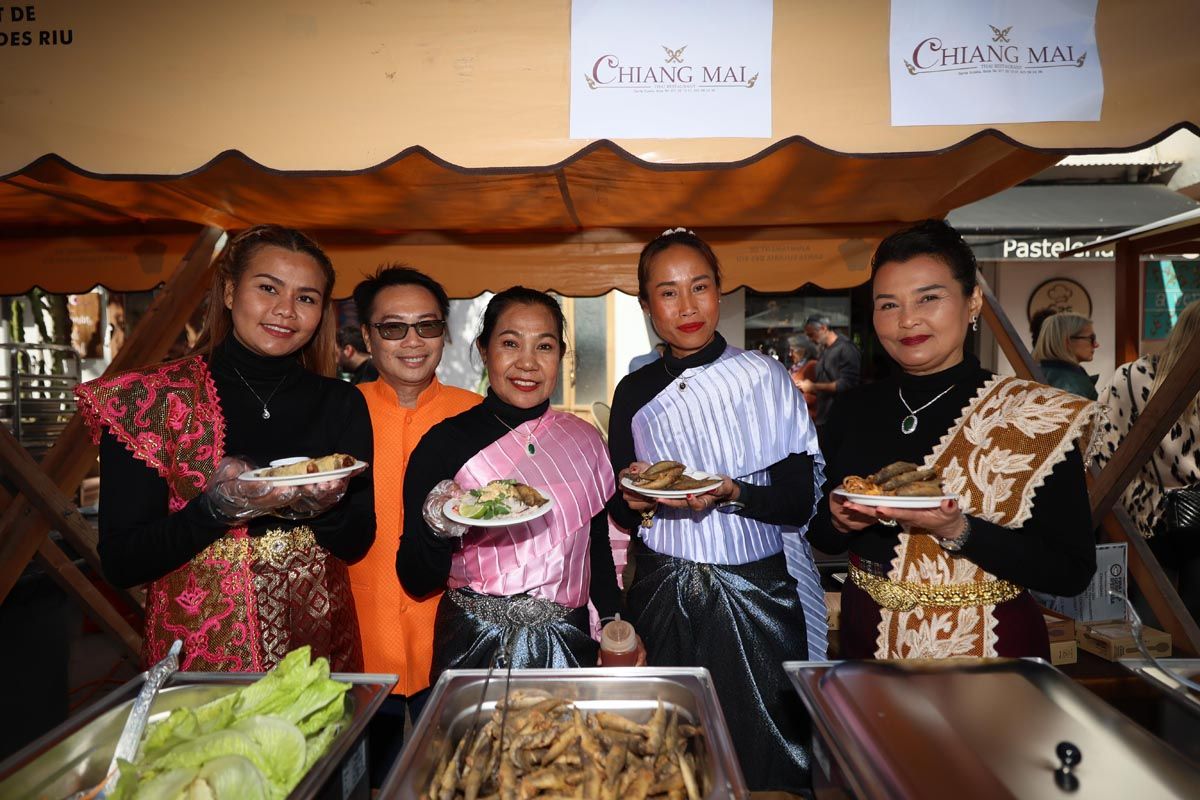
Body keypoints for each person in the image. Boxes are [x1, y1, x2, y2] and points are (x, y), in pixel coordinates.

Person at [76, 225, 374, 672]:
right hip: (204, 657)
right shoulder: (154, 400)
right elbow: (121, 562)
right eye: (268, 288)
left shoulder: (341, 401)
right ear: (231, 292)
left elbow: (356, 542)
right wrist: (214, 510)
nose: (285, 311)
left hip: (319, 650)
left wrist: (323, 508)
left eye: (306, 298)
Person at [808, 219, 1098, 661]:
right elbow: (823, 537)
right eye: (888, 305)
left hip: (991, 648)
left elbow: (1071, 571)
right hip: (867, 639)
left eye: (929, 297)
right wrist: (839, 521)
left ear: (973, 301)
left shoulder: (1031, 415)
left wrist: (957, 529)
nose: (908, 320)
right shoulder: (853, 408)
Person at [608, 228, 825, 794]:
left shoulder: (763, 377)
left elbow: (799, 501)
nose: (687, 307)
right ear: (646, 304)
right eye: (669, 292)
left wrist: (736, 493)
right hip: (661, 586)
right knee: (666, 749)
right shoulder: (633, 392)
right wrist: (634, 502)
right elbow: (625, 507)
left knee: (766, 749)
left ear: (720, 291)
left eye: (699, 287)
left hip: (755, 588)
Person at [398, 287, 621, 677]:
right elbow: (416, 580)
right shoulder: (442, 444)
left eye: (544, 347)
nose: (528, 364)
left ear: (561, 355)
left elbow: (597, 551)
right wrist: (438, 529)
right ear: (484, 350)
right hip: (472, 643)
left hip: (569, 644)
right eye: (510, 343)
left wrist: (617, 621)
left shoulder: (585, 441)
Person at [347, 266, 482, 786]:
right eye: (393, 327)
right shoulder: (341, 414)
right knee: (361, 784)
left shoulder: (475, 417)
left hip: (452, 640)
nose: (412, 341)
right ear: (366, 336)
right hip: (360, 643)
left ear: (445, 333)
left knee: (456, 784)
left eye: (426, 326)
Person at [1094, 299, 1200, 619]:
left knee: (1151, 616)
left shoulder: (1131, 376)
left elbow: (1101, 451)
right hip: (1197, 518)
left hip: (1143, 514)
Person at [798, 314, 861, 441]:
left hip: (841, 419)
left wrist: (813, 386)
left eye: (811, 334)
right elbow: (826, 382)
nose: (810, 339)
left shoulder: (846, 348)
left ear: (823, 328)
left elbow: (848, 384)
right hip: (825, 417)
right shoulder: (825, 350)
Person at [1033, 312, 1099, 400]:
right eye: (1091, 338)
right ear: (1067, 341)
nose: (1096, 344)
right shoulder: (1073, 389)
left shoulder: (1036, 373)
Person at [788, 335, 819, 419]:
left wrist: (794, 397)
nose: (790, 354)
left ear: (803, 350)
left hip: (806, 418)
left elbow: (818, 396)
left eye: (792, 350)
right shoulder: (795, 367)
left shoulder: (812, 365)